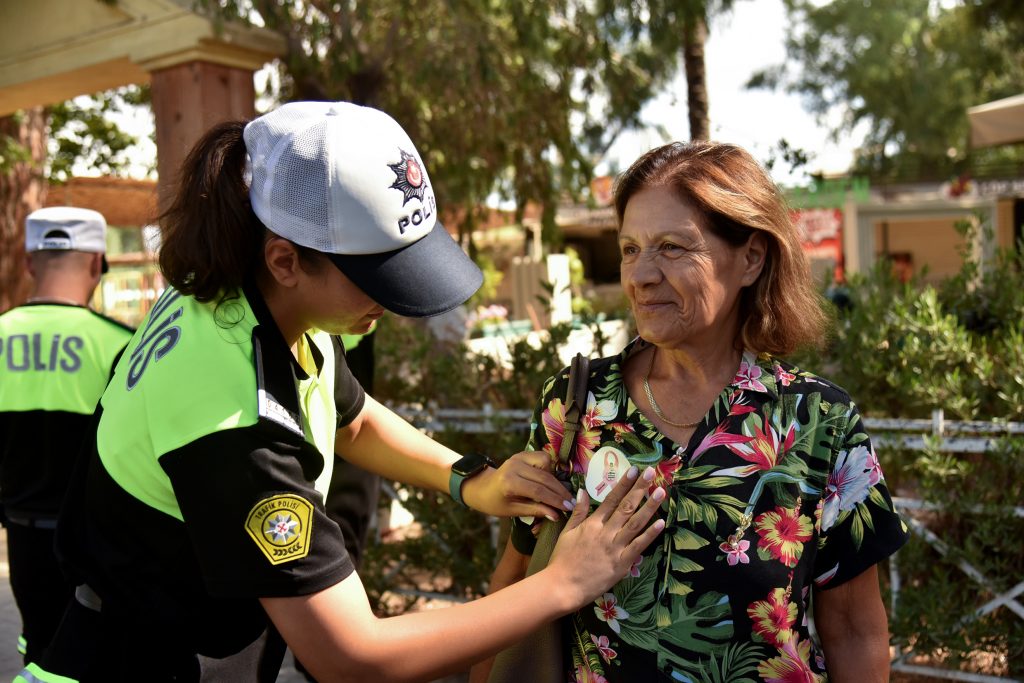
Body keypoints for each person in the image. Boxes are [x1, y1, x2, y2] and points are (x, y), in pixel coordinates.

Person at [20, 101, 667, 683]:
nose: (394, 304)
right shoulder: (236, 419)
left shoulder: (256, 301)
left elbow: (350, 417)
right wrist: (562, 583)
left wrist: (472, 481)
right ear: (286, 260)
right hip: (129, 660)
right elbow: (353, 656)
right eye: (378, 278)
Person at [474, 141, 909, 682]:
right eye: (630, 249)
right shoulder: (578, 404)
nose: (640, 275)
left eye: (672, 247)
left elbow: (856, 630)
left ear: (751, 258)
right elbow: (517, 581)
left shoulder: (818, 422)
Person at [0, 207, 133, 665]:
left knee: (39, 648)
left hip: (21, 534)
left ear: (29, 263)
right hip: (96, 546)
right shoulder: (122, 345)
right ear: (97, 263)